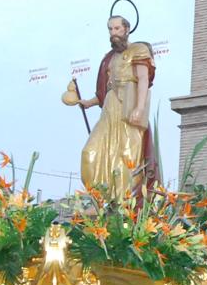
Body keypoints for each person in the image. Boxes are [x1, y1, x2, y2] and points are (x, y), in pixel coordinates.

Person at [65, 15, 158, 196]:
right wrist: (89, 103)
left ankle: (123, 199)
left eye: (117, 28)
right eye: (110, 29)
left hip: (129, 108)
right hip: (110, 108)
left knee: (127, 157)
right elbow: (105, 89)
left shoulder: (138, 50)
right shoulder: (110, 58)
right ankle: (98, 197)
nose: (113, 32)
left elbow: (143, 79)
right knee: (90, 152)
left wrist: (139, 108)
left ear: (126, 29)